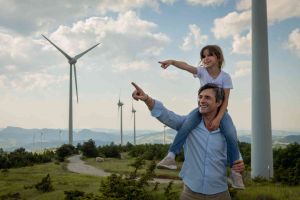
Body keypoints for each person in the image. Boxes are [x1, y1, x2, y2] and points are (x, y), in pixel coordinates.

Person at [131, 82, 245, 200]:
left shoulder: (227, 131)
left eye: (207, 97)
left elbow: (233, 149)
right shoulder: (188, 125)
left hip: (220, 194)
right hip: (190, 194)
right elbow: (167, 116)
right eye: (200, 97)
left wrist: (239, 163)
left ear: (218, 103)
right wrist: (146, 99)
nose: (202, 100)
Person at [157, 45, 244, 189]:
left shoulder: (225, 77)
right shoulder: (202, 72)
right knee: (185, 127)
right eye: (203, 56)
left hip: (221, 111)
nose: (206, 58)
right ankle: (171, 156)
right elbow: (185, 66)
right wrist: (172, 61)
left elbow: (225, 100)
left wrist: (218, 118)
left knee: (230, 134)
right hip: (201, 110)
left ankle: (235, 173)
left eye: (210, 55)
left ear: (219, 58)